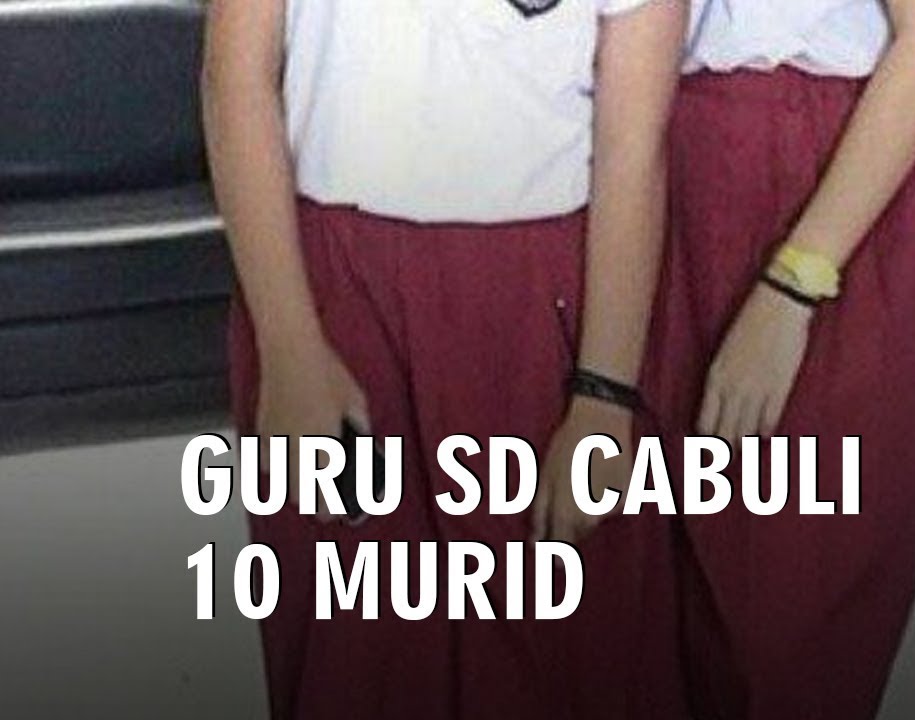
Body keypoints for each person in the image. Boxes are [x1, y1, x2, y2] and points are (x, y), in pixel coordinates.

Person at [202, 1, 687, 718]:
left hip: (537, 302)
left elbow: (634, 145)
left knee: (550, 644)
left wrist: (603, 397)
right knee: (353, 652)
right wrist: (290, 347)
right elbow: (236, 79)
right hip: (332, 299)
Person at [648, 0, 915, 717]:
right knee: (652, 619)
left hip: (822, 178)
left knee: (787, 620)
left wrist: (794, 283)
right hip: (660, 159)